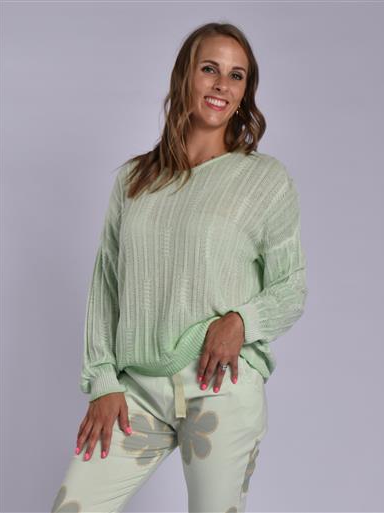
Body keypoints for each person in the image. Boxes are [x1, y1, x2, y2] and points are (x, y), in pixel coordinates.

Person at [50, 21, 308, 513]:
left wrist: (241, 322)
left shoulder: (265, 181)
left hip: (220, 385)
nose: (221, 84)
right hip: (136, 390)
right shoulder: (135, 179)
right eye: (210, 69)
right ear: (184, 76)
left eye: (236, 76)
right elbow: (107, 285)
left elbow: (291, 286)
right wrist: (103, 382)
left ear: (245, 92)